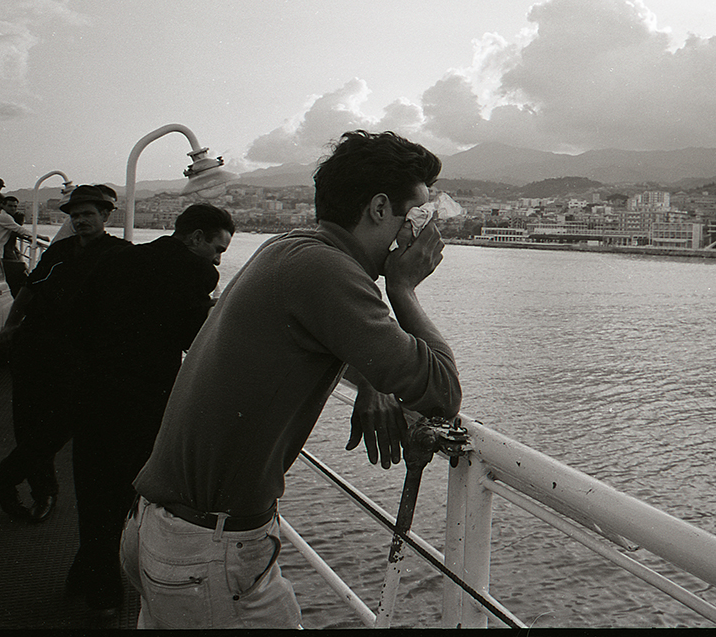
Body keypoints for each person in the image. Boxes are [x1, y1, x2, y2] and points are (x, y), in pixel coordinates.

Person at [120, 130, 461, 629]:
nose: (422, 232)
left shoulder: (294, 249)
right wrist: (403, 287)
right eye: (420, 216)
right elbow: (442, 391)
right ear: (381, 209)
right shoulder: (327, 270)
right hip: (206, 553)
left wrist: (371, 380)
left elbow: (328, 334)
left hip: (163, 530)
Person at [68, 203, 235, 615]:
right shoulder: (196, 273)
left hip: (91, 392)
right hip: (142, 401)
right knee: (129, 496)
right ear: (195, 237)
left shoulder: (119, 258)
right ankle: (104, 594)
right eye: (217, 248)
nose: (217, 259)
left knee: (92, 490)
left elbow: (80, 316)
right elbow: (194, 341)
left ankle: (84, 576)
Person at [0, 186, 131, 523]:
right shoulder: (60, 251)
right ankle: (40, 491)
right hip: (35, 346)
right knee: (28, 424)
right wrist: (9, 325)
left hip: (78, 354)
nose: (80, 221)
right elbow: (30, 289)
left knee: (64, 422)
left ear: (106, 216)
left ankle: (4, 479)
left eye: (88, 214)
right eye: (75, 216)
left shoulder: (120, 254)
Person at [0, 196, 35, 296]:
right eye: (10, 206)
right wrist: (39, 237)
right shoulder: (4, 217)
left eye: (15, 206)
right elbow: (19, 229)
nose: (13, 209)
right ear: (2, 205)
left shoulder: (2, 217)